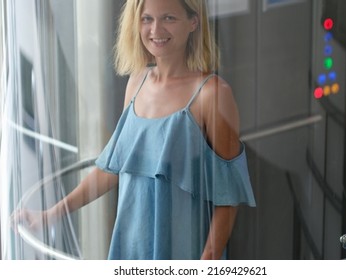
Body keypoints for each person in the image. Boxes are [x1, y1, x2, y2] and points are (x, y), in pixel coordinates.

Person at [13, 0, 255, 260]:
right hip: (130, 246)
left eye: (169, 18)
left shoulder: (212, 94)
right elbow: (111, 169)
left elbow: (229, 195)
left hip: (184, 251)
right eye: (146, 19)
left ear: (193, 22)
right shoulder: (137, 81)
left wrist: (208, 259)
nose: (155, 29)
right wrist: (50, 215)